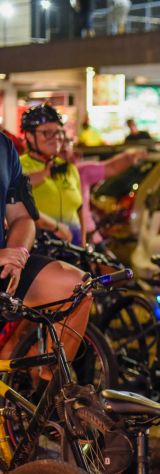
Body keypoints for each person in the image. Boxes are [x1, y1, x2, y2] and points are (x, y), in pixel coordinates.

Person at [0, 122, 92, 378]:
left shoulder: (5, 147)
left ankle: (49, 389)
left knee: (80, 288)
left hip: (6, 266)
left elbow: (22, 217)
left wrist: (17, 254)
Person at [18, 104, 84, 245]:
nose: (56, 138)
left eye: (59, 132)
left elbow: (80, 210)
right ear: (29, 135)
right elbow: (16, 187)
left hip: (74, 250)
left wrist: (84, 247)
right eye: (47, 132)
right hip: (39, 249)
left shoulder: (68, 167)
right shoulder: (17, 165)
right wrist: (44, 173)